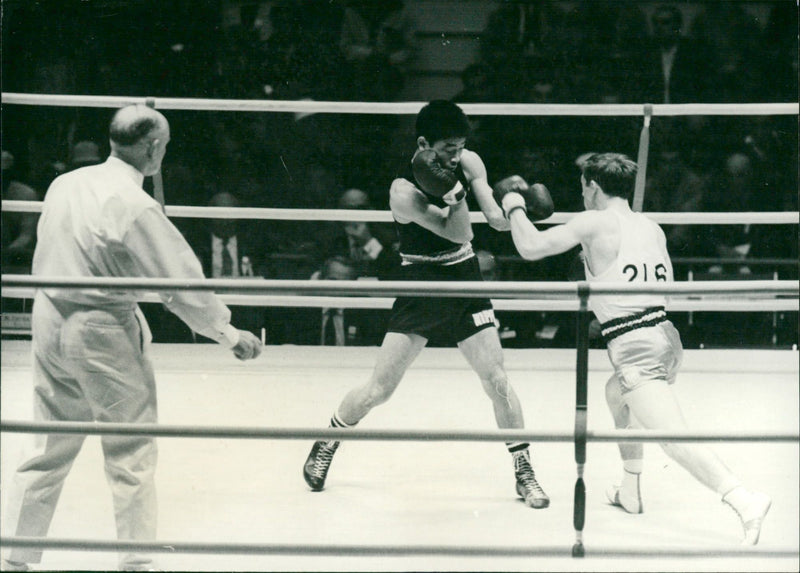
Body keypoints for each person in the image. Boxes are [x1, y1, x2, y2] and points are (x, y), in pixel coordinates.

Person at [1, 104, 263, 572]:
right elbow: (179, 279)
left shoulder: (67, 183)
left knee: (48, 444)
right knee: (131, 450)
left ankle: (14, 556)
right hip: (100, 325)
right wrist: (227, 331)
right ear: (153, 147)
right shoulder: (133, 203)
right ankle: (136, 563)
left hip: (48, 316)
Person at [495, 152, 771, 544]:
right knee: (615, 394)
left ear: (592, 186)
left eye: (583, 188)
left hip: (634, 344)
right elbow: (666, 289)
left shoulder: (593, 221)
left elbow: (530, 246)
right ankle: (631, 489)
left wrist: (513, 205)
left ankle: (744, 499)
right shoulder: (650, 227)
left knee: (672, 436)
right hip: (664, 334)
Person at [302, 100, 549, 509]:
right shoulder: (402, 192)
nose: (456, 155)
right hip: (421, 279)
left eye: (460, 146)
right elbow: (456, 229)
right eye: (448, 148)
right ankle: (328, 440)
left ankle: (524, 471)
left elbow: (490, 218)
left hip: (464, 276)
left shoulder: (468, 160)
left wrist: (516, 206)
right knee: (379, 390)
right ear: (423, 144)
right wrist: (453, 193)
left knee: (497, 379)